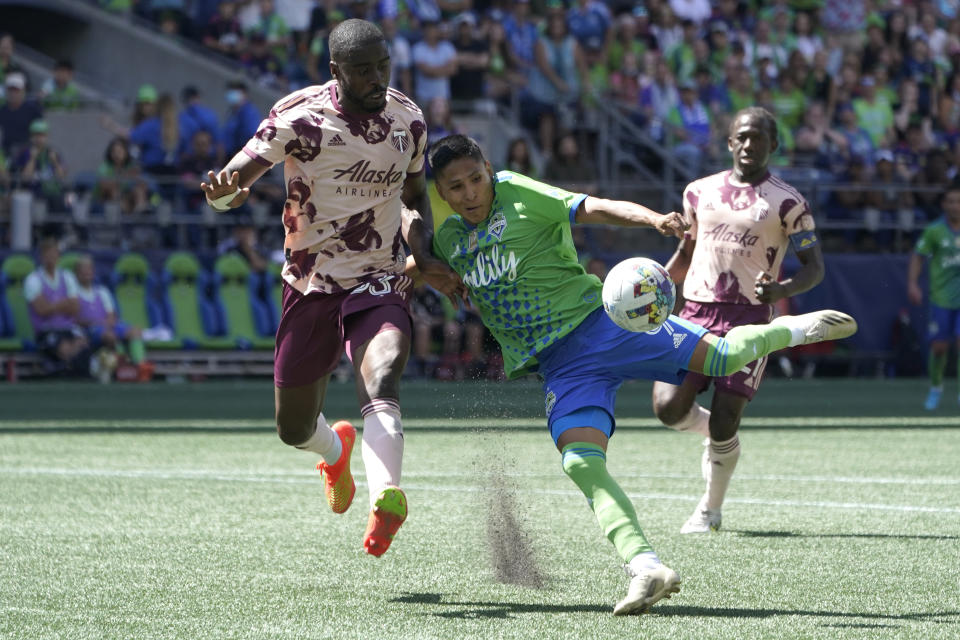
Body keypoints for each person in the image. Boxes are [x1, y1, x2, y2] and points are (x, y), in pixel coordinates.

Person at [425, 133, 855, 615]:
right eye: (456, 187)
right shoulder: (448, 238)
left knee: (725, 359)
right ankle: (646, 567)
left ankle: (790, 331)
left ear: (488, 168)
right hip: (561, 368)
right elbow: (423, 255)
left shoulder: (520, 194)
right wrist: (421, 271)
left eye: (476, 179)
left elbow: (594, 207)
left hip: (605, 326)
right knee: (580, 462)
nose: (470, 193)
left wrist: (652, 218)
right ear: (441, 193)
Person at [200, 19, 462, 557]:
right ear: (335, 70)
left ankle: (387, 496)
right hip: (311, 282)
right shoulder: (298, 118)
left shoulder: (407, 119)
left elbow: (413, 199)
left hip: (380, 274)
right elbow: (232, 186)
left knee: (383, 373)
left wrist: (425, 253)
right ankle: (333, 448)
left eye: (383, 65)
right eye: (363, 69)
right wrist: (223, 195)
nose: (376, 78)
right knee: (293, 427)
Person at [650, 106, 827, 534]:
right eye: (742, 137)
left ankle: (709, 510)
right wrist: (654, 289)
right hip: (693, 311)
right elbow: (687, 254)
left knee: (728, 415)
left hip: (749, 318)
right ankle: (722, 439)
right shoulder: (698, 192)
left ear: (774, 145)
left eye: (759, 137)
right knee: (667, 408)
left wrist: (782, 290)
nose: (749, 144)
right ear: (730, 142)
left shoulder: (789, 202)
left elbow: (814, 268)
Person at [907, 184, 960, 410]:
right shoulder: (934, 230)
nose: (955, 206)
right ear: (943, 204)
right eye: (950, 201)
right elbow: (918, 257)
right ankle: (936, 388)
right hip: (941, 298)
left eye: (958, 201)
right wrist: (913, 284)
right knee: (939, 347)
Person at [72, 255, 149, 381]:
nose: (86, 273)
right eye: (83, 270)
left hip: (107, 326)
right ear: (77, 273)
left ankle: (140, 365)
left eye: (89, 269)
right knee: (109, 336)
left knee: (136, 331)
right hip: (91, 330)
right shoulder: (74, 293)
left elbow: (112, 315)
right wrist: (97, 324)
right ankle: (123, 366)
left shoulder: (102, 291)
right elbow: (74, 319)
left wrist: (107, 324)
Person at [24, 238, 90, 376]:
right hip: (46, 330)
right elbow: (41, 310)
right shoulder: (33, 279)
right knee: (63, 348)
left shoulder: (68, 277)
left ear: (58, 256)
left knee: (84, 343)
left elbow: (75, 308)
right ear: (41, 257)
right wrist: (64, 303)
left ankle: (60, 367)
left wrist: (52, 305)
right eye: (47, 255)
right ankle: (62, 366)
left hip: (68, 328)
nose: (51, 258)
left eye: (54, 254)